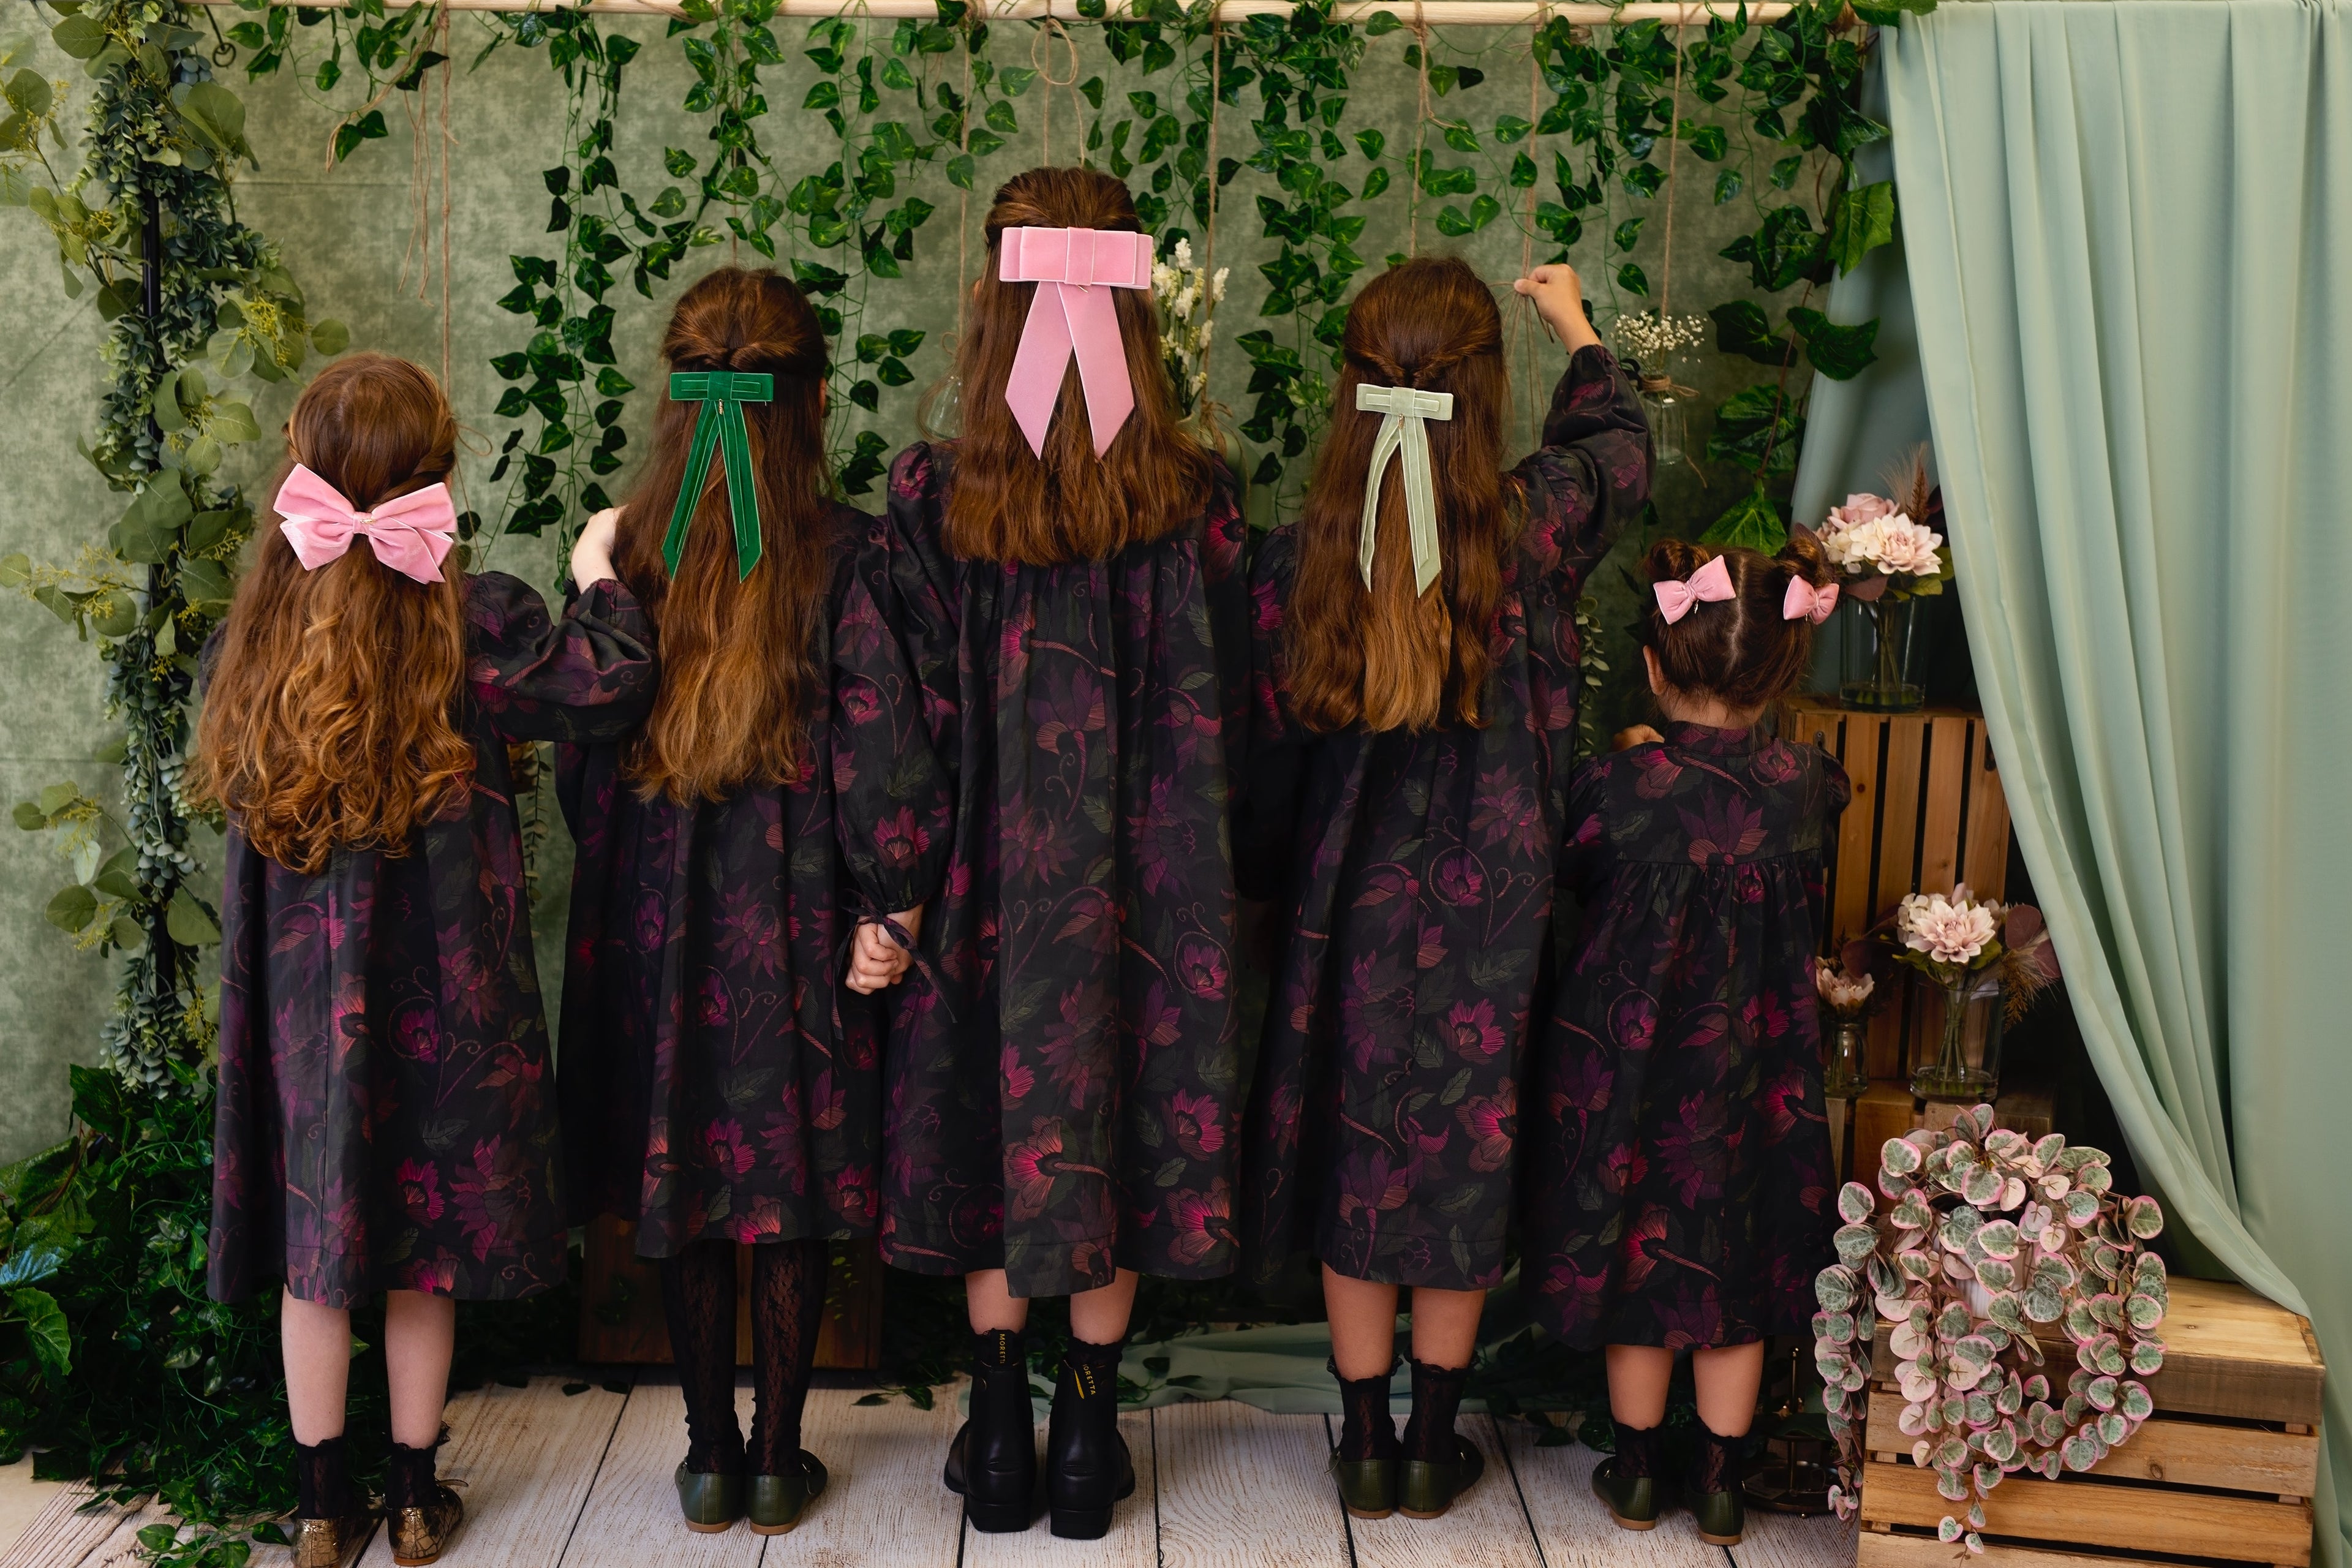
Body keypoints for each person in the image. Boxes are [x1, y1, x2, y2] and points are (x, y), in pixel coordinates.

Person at [197, 354, 656, 1568]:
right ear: (433, 476)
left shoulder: (256, 635)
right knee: (424, 1252)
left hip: (303, 1009)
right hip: (448, 1000)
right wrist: (599, 569)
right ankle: (411, 1499)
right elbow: (610, 684)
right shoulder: (479, 623)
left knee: (317, 1259)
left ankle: (318, 1509)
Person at [1235, 255, 1652, 1522]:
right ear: (1484, 389)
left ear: (1353, 387)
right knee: (1465, 1154)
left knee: (1360, 1152)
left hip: (1348, 908)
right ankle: (1431, 1439)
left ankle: (1363, 1441)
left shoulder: (1300, 557)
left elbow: (1263, 753)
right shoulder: (1536, 524)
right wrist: (1575, 324)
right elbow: (1619, 452)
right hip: (1497, 913)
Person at [876, 166, 1248, 1540]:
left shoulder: (934, 491)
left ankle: (999, 1424)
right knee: (1122, 1129)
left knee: (994, 1126)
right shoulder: (1198, 495)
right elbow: (1236, 697)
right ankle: (1087, 1435)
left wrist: (898, 880)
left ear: (994, 301)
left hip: (983, 883)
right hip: (1157, 882)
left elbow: (900, 711)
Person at [556, 267, 950, 1537]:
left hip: (656, 924)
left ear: (676, 403)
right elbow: (886, 745)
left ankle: (709, 1456)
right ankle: (779, 1460)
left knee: (681, 1179)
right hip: (795, 922)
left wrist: (592, 572)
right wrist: (893, 904)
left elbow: (581, 752)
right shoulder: (852, 554)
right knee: (785, 1183)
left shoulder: (629, 556)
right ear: (815, 402)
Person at [1520, 535, 1849, 1546]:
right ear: (1783, 672)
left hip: (1629, 1072)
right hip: (1757, 1074)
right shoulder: (1810, 785)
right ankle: (1718, 1484)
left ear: (1656, 666)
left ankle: (1634, 1473)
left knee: (1637, 1259)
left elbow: (1574, 879)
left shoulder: (1614, 788)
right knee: (1736, 1267)